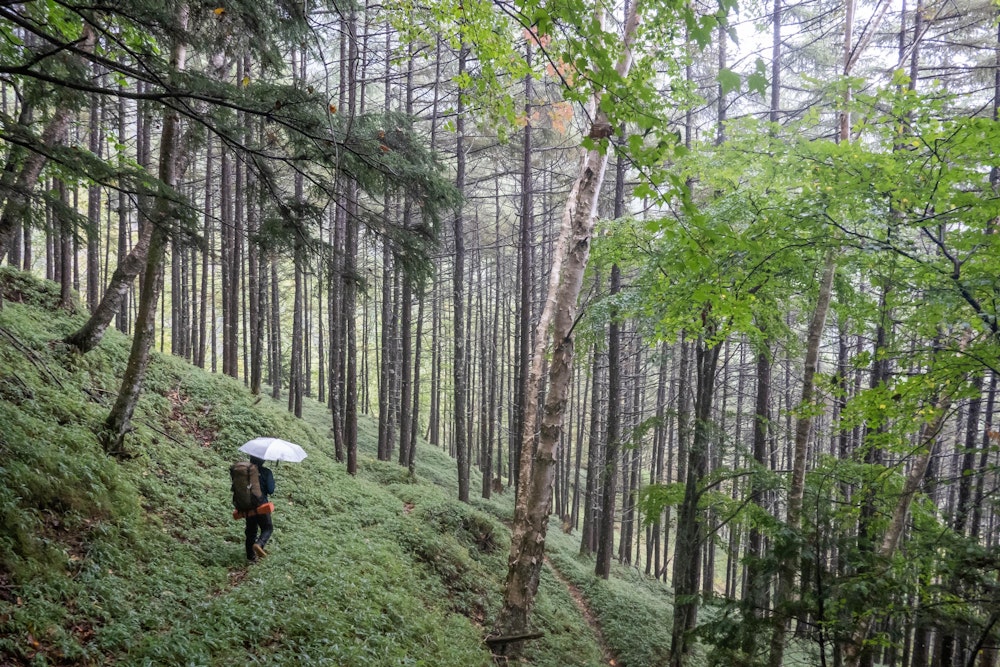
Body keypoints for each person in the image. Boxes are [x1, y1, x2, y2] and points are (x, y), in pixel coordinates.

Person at [245, 456, 275, 561]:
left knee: (251, 531)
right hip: (261, 505)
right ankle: (259, 544)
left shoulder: (244, 471)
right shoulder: (266, 472)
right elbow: (271, 490)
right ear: (263, 460)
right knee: (267, 528)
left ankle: (251, 557)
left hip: (247, 505)